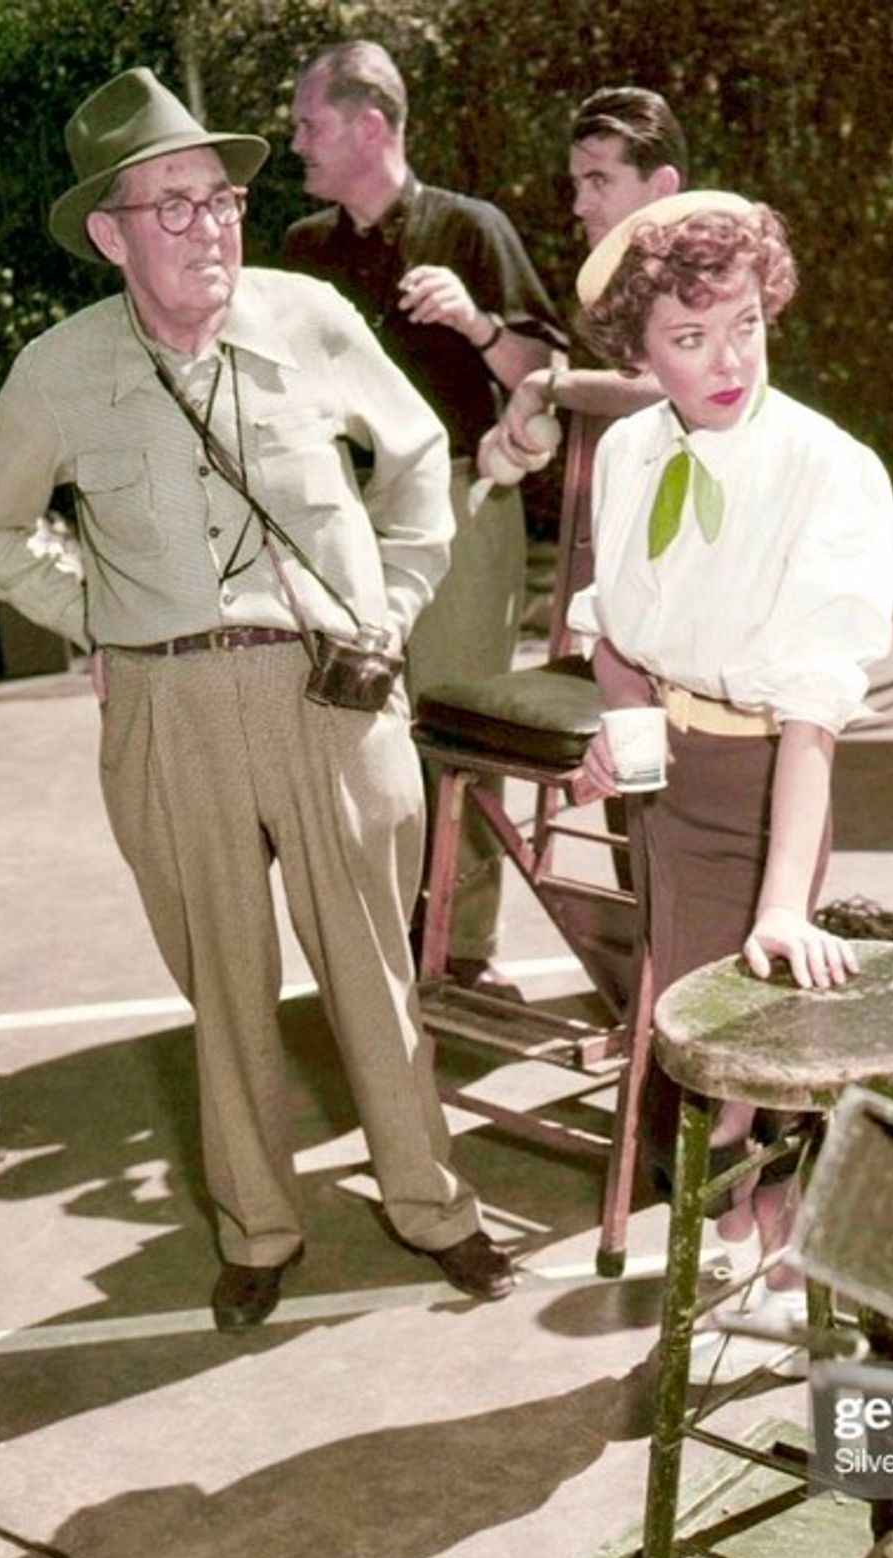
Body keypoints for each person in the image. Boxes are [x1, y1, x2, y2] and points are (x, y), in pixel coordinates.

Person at [0, 68, 515, 1327]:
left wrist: (398, 596)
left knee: (375, 966)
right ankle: (258, 1225)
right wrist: (90, 608)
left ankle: (434, 1204)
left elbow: (419, 454)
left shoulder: (310, 316)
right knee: (224, 980)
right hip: (166, 710)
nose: (210, 227)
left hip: (329, 691)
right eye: (173, 207)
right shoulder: (57, 370)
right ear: (110, 234)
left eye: (221, 200)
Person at [565, 191, 893, 1341]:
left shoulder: (828, 468)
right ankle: (753, 1245)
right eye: (689, 338)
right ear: (639, 350)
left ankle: (772, 1255)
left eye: (746, 323)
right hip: (668, 787)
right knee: (693, 1036)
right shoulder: (625, 448)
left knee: (740, 1045)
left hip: (769, 791)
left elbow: (811, 722)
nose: (727, 360)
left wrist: (780, 905)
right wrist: (628, 738)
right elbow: (615, 642)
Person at [284, 41, 563, 991]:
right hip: (337, 516)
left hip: (458, 505)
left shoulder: (472, 230)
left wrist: (479, 325)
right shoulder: (302, 253)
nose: (294, 145)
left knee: (460, 728)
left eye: (308, 124)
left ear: (371, 125)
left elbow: (543, 379)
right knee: (351, 738)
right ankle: (380, 945)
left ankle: (463, 951)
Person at [491, 86, 689, 480]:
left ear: (663, 187)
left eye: (600, 181)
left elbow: (676, 388)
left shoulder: (704, 273)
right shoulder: (614, 284)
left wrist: (547, 386)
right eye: (578, 184)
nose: (580, 206)